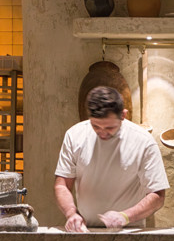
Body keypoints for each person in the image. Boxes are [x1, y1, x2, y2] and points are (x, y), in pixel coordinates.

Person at [55, 85, 168, 232]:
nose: (102, 133)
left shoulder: (144, 142)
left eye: (109, 128)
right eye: (96, 126)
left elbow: (158, 195)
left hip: (128, 231)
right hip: (85, 230)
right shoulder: (75, 135)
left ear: (123, 115)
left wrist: (125, 216)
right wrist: (71, 214)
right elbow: (62, 185)